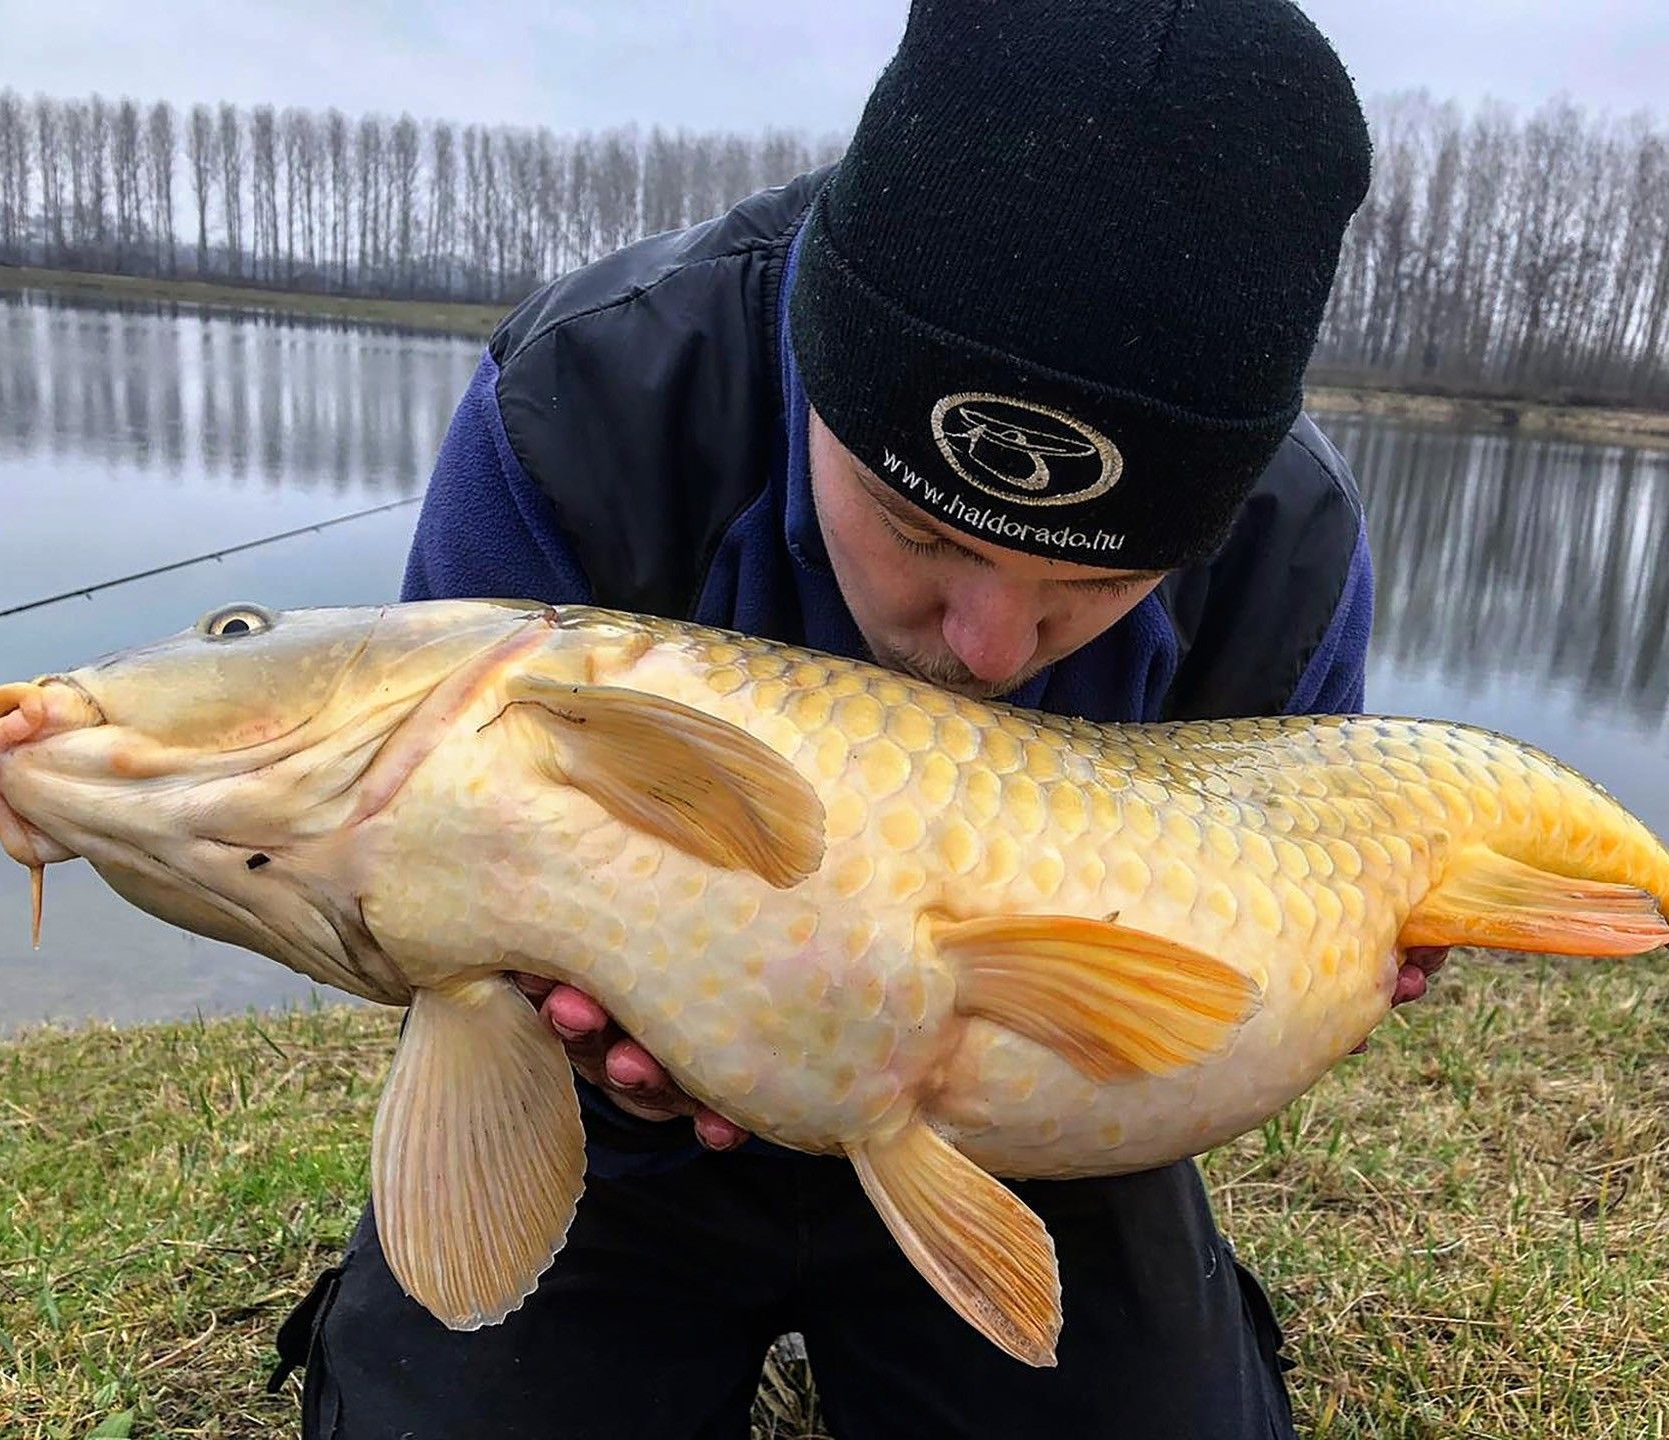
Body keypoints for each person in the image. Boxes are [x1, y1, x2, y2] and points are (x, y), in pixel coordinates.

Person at [277, 2, 1447, 1435]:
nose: (990, 647)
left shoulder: (1287, 544)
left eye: (1106, 581)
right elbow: (407, 878)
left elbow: (1231, 968)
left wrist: (1329, 966)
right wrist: (553, 1020)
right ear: (819, 368)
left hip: (1029, 1131)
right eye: (921, 531)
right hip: (608, 1134)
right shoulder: (589, 402)